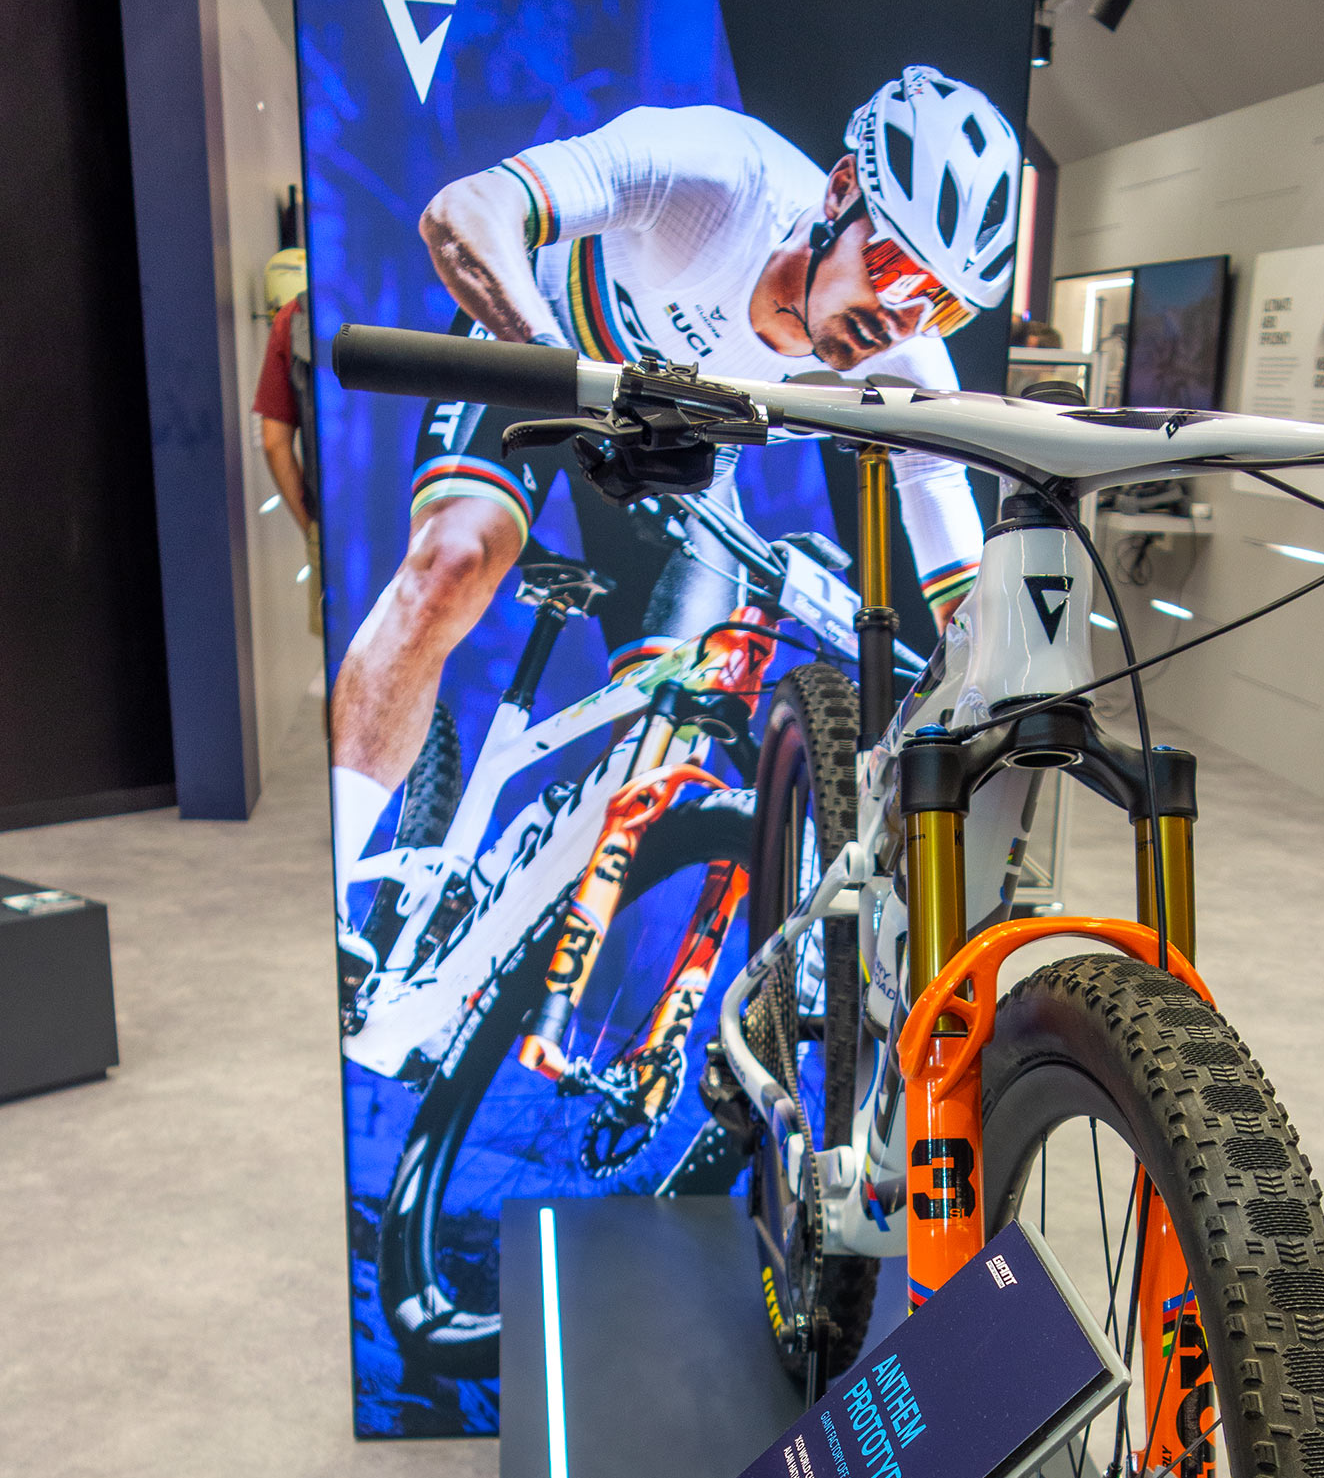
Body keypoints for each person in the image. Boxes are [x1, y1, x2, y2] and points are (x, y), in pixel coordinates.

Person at [327, 66, 1020, 912]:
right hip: (543, 359)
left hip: (677, 450)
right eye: (893, 268)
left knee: (676, 720)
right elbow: (465, 209)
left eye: (939, 307)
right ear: (840, 191)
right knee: (453, 561)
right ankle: (340, 875)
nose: (899, 317)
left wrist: (984, 678)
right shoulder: (719, 174)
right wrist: (553, 366)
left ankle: (516, 932)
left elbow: (944, 525)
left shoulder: (904, 355)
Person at [254, 269, 323, 636]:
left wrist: (313, 528)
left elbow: (274, 441)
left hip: (334, 528)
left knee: (348, 660)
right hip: (433, 519)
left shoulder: (293, 317)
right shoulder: (424, 295)